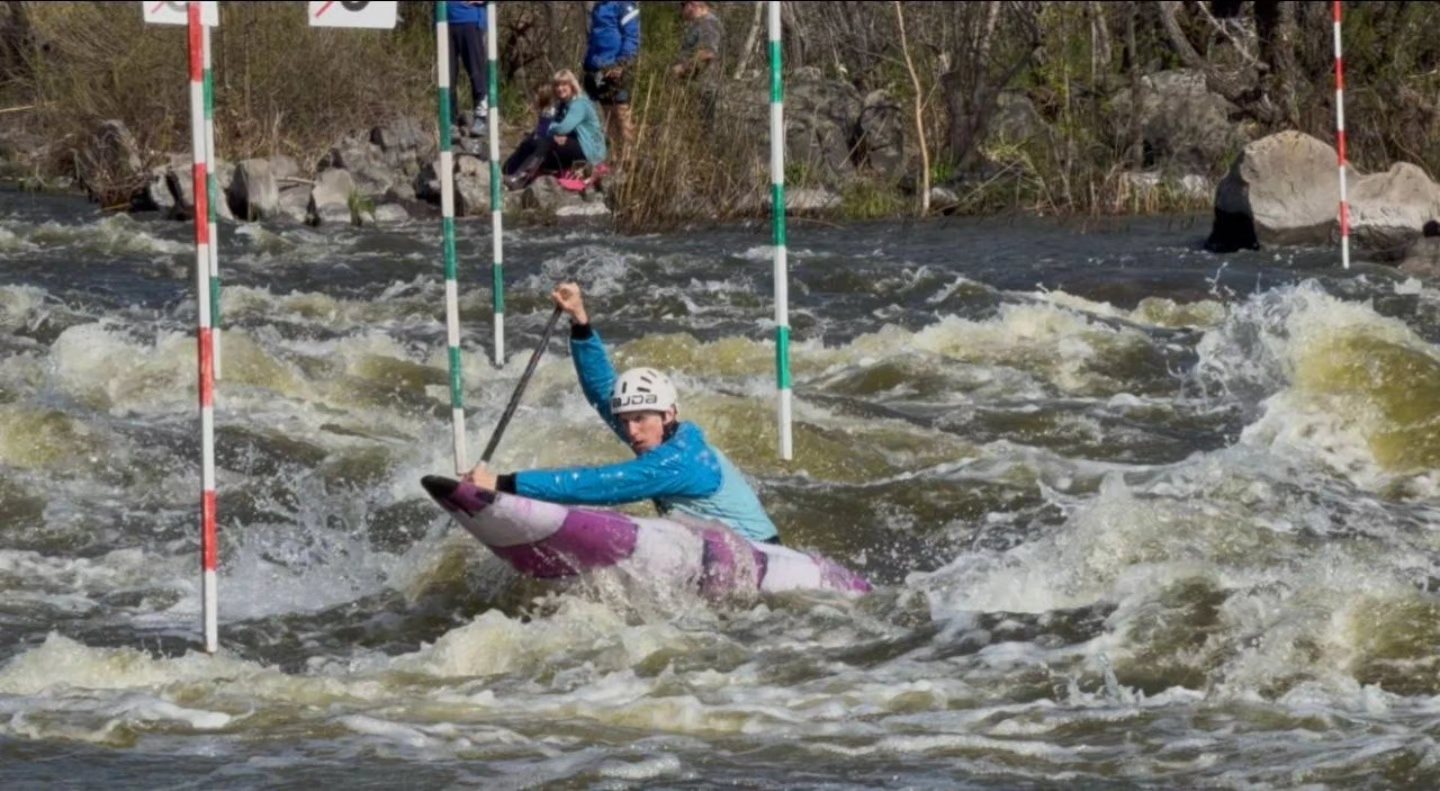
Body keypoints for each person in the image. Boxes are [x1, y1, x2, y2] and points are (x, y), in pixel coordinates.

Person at [464, 283, 782, 546]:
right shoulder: (655, 435)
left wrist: (502, 483)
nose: (631, 431)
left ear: (669, 414)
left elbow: (600, 485)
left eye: (640, 419)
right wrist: (580, 322)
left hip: (762, 553)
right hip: (716, 545)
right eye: (627, 420)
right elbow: (602, 390)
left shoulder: (678, 460)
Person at [503, 70, 607, 191]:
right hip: (574, 142)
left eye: (564, 85)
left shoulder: (579, 104)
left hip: (589, 149)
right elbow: (554, 128)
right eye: (557, 85)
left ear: (572, 85)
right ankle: (508, 170)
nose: (560, 88)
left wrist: (552, 130)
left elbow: (563, 128)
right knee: (533, 140)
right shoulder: (563, 104)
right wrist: (551, 132)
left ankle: (521, 178)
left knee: (546, 142)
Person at [583, 0, 641, 154]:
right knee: (608, 116)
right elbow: (594, 38)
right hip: (597, 68)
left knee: (622, 114)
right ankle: (615, 157)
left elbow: (632, 37)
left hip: (616, 67)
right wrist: (589, 64)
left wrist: (621, 64)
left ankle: (629, 159)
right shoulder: (597, 6)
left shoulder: (624, 5)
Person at [671, 1, 725, 119]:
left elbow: (708, 53)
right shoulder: (699, 24)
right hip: (695, 87)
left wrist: (681, 68)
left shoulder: (709, 23)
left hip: (704, 88)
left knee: (702, 131)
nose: (681, 10)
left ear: (693, 4)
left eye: (683, 5)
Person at [445, 1, 490, 137]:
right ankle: (449, 119)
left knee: (476, 71)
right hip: (444, 21)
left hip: (470, 20)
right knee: (447, 76)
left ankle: (481, 118)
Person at [502, 82, 557, 179]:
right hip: (539, 137)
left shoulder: (550, 111)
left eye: (536, 95)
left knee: (531, 145)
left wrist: (536, 136)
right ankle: (508, 169)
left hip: (543, 142)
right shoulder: (544, 110)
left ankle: (517, 174)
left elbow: (545, 130)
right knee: (525, 144)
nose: (534, 98)